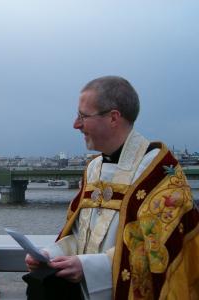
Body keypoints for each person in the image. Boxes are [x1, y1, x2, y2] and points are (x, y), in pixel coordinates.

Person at [24, 76, 199, 299]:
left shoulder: (160, 173)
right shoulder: (93, 168)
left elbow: (162, 252)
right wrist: (50, 254)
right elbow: (81, 237)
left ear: (113, 117)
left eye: (83, 116)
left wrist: (87, 268)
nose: (76, 125)